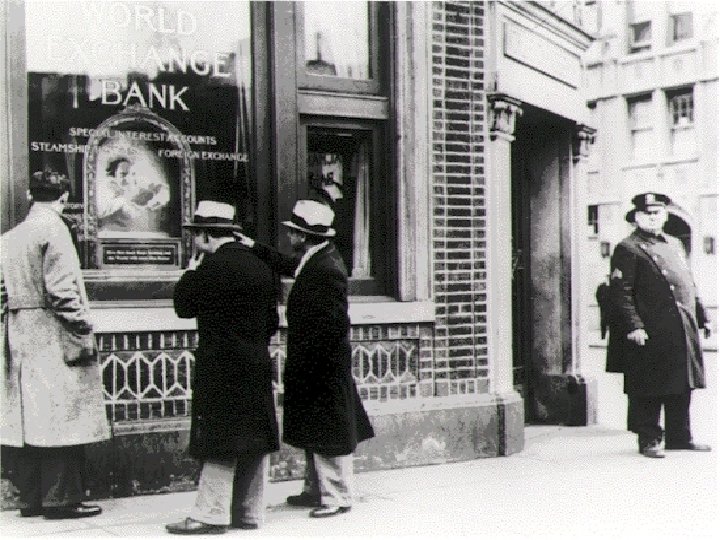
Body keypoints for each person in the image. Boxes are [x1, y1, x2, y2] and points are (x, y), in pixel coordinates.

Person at [238, 199, 374, 519]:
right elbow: (289, 265)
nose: (289, 236)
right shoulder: (317, 258)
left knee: (329, 433)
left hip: (323, 366)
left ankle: (337, 497)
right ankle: (316, 489)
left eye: (293, 232)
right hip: (316, 363)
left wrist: (318, 365)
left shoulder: (326, 270)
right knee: (317, 429)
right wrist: (253, 246)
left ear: (303, 235)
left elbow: (334, 324)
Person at [165, 200, 280, 535]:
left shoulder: (210, 268)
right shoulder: (260, 266)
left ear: (205, 234)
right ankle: (248, 513)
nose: (193, 239)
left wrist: (189, 272)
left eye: (195, 233)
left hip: (220, 368)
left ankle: (211, 514)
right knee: (254, 438)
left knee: (219, 440)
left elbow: (183, 307)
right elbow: (272, 322)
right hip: (256, 364)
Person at [0, 169, 109, 519]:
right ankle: (60, 500)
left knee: (29, 419)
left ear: (30, 195)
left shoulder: (10, 236)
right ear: (63, 198)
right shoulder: (55, 231)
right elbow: (62, 292)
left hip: (20, 332)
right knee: (62, 416)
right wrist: (84, 326)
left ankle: (30, 499)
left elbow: (2, 292)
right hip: (53, 333)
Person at [606, 192, 712, 459]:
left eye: (657, 213)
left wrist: (702, 315)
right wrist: (634, 326)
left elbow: (688, 282)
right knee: (648, 386)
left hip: (680, 326)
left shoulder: (674, 243)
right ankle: (649, 439)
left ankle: (680, 437)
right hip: (650, 329)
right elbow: (621, 292)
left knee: (682, 383)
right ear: (636, 218)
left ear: (665, 215)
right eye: (647, 213)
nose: (653, 217)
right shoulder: (628, 248)